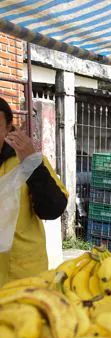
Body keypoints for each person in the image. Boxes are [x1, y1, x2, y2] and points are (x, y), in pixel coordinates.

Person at [0, 97, 68, 284]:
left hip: (23, 276)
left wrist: (32, 164)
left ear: (8, 129)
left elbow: (53, 208)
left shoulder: (27, 162)